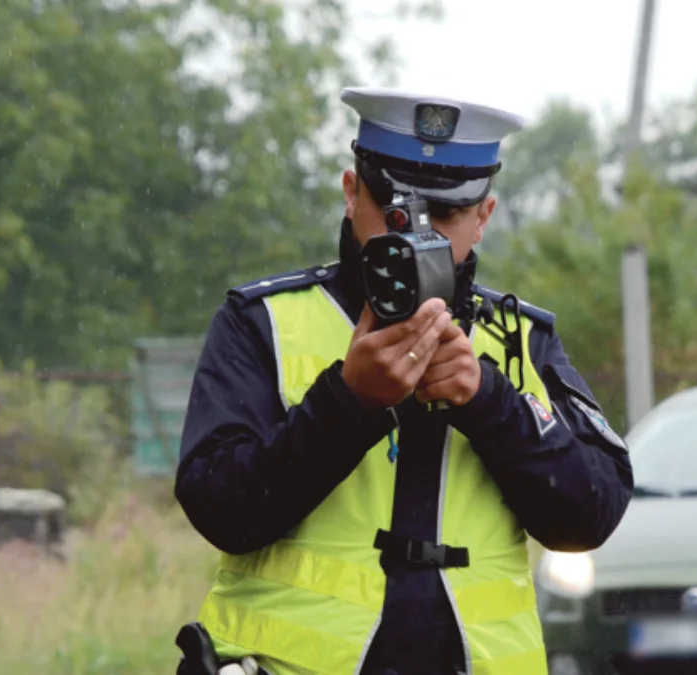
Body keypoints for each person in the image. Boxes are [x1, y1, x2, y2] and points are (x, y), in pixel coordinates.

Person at [173, 88, 635, 675]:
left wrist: (490, 401)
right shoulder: (262, 321)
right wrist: (348, 403)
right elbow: (220, 511)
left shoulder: (523, 339)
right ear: (350, 192)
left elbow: (591, 517)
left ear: (484, 217)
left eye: (443, 215)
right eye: (396, 209)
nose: (418, 235)